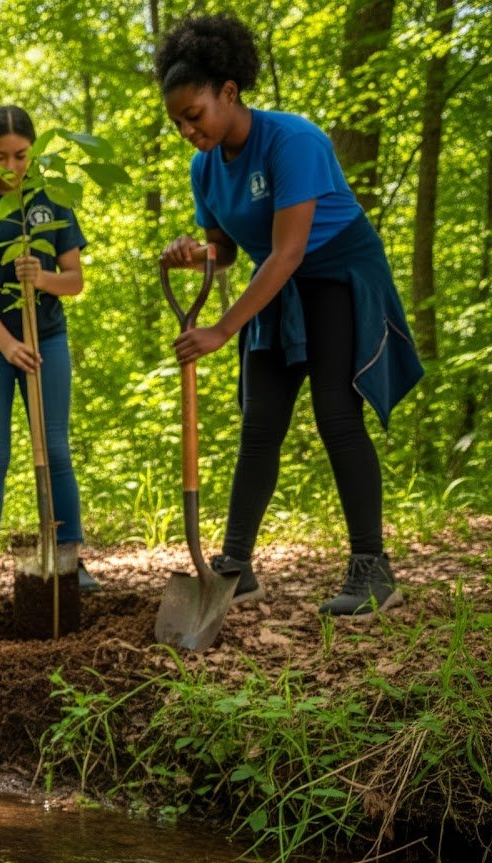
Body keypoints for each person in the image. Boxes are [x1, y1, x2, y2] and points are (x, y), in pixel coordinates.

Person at [156, 14, 423, 614]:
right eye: (176, 122)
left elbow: (290, 249)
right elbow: (227, 252)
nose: (185, 131)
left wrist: (224, 328)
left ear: (229, 91)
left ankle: (372, 568)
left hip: (336, 274)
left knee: (336, 412)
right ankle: (236, 567)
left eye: (193, 114)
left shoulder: (293, 140)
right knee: (260, 422)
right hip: (278, 284)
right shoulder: (204, 168)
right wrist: (197, 254)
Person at [0, 105, 100, 606]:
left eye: (22, 156)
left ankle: (70, 555)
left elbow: (74, 280)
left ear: (34, 151)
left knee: (54, 448)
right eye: (1, 158)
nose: (11, 168)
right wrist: (8, 345)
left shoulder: (52, 200)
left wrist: (42, 278)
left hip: (46, 337)